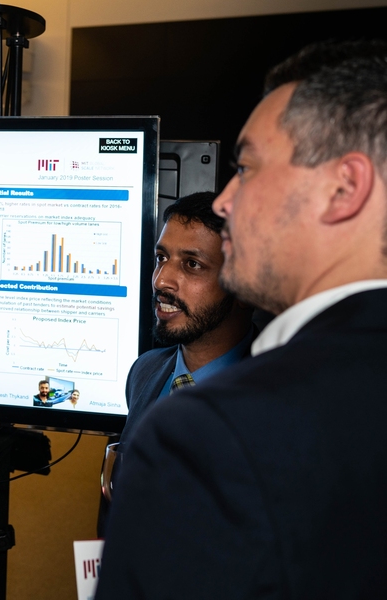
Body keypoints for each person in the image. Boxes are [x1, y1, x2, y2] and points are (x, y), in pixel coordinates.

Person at [97, 39, 387, 598]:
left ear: (345, 188)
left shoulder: (214, 434)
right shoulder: (154, 380)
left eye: (248, 167)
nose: (227, 200)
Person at [118, 191, 255, 454]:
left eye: (192, 264)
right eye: (162, 258)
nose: (160, 281)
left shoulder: (281, 397)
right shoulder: (144, 372)